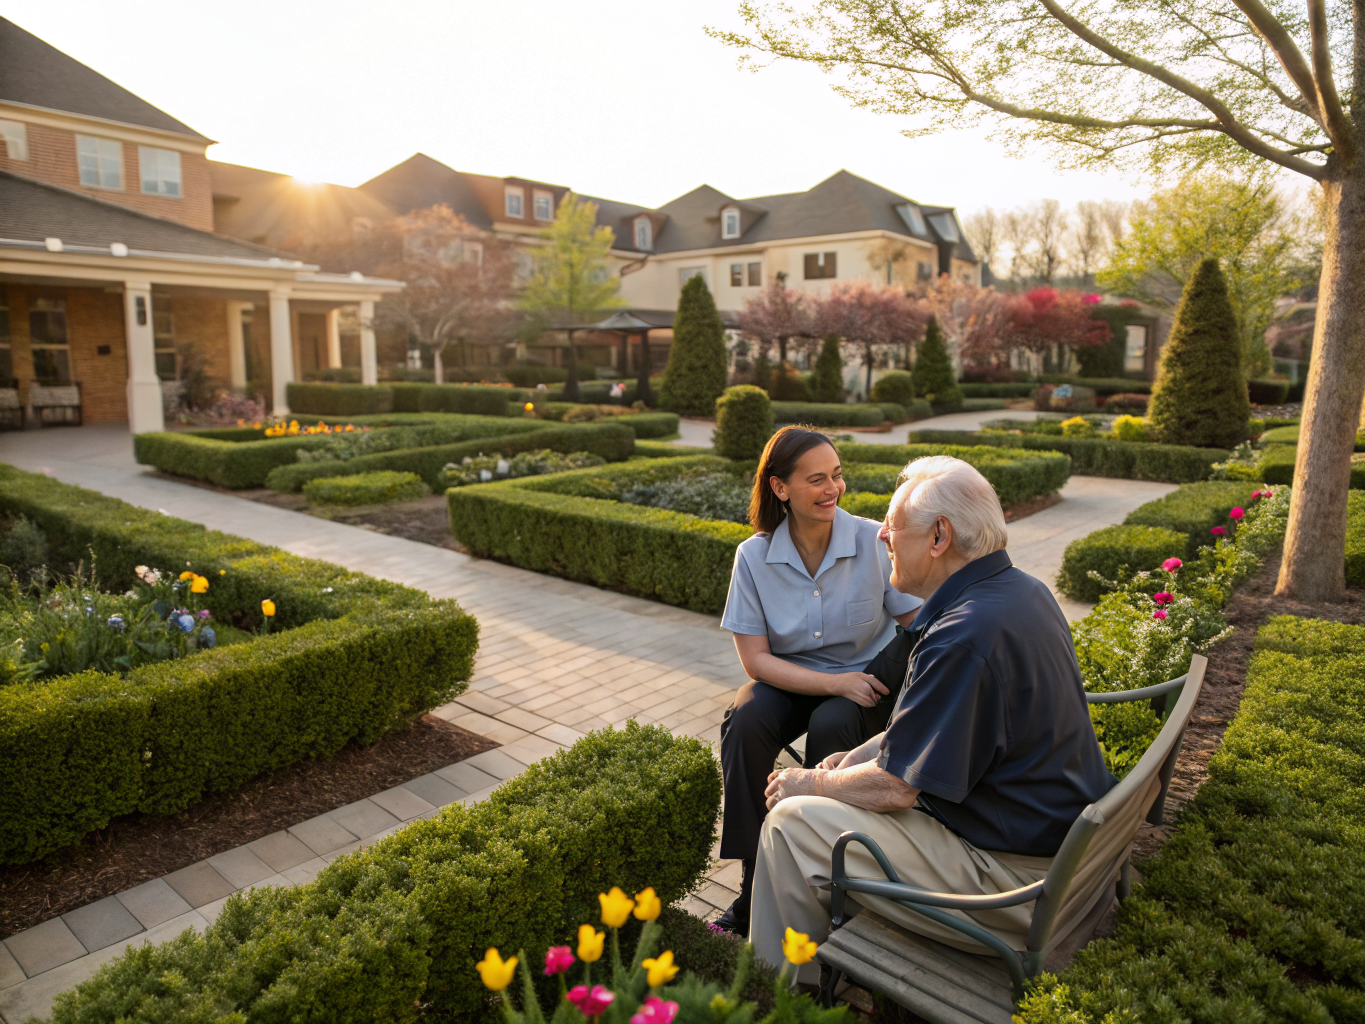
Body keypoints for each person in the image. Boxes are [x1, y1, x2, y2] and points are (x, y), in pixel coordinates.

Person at [747, 455, 1116, 982]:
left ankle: (778, 996)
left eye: (893, 526)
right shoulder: (1018, 592)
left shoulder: (964, 635)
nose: (882, 537)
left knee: (791, 823)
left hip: (1016, 887)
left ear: (939, 536)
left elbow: (897, 788)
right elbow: (928, 726)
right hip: (1053, 848)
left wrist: (807, 782)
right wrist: (851, 762)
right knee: (823, 799)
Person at [714, 426, 922, 935]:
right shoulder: (753, 557)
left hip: (865, 684)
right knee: (745, 720)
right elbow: (755, 661)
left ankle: (830, 887)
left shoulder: (872, 540)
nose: (833, 489)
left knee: (832, 726)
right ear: (780, 487)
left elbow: (918, 622)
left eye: (837, 475)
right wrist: (834, 682)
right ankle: (754, 883)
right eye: (817, 480)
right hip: (791, 678)